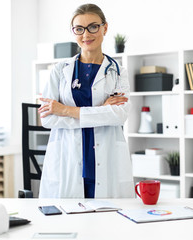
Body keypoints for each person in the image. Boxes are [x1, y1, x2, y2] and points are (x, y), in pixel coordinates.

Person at [38, 3, 134, 198]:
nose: (86, 34)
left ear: (104, 28)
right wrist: (101, 112)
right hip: (68, 160)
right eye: (79, 29)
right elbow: (47, 118)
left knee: (107, 222)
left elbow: (119, 115)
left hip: (106, 159)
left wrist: (64, 110)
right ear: (73, 32)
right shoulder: (59, 70)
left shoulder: (117, 72)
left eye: (93, 27)